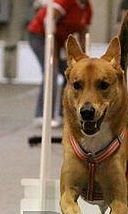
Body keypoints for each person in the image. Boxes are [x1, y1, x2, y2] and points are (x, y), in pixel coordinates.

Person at [27, 0, 92, 128]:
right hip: (40, 35)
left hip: (60, 40)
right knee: (50, 71)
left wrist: (84, 59)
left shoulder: (87, 8)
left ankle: (65, 114)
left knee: (71, 74)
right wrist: (53, 51)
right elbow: (49, 21)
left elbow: (83, 32)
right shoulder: (66, 1)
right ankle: (42, 115)